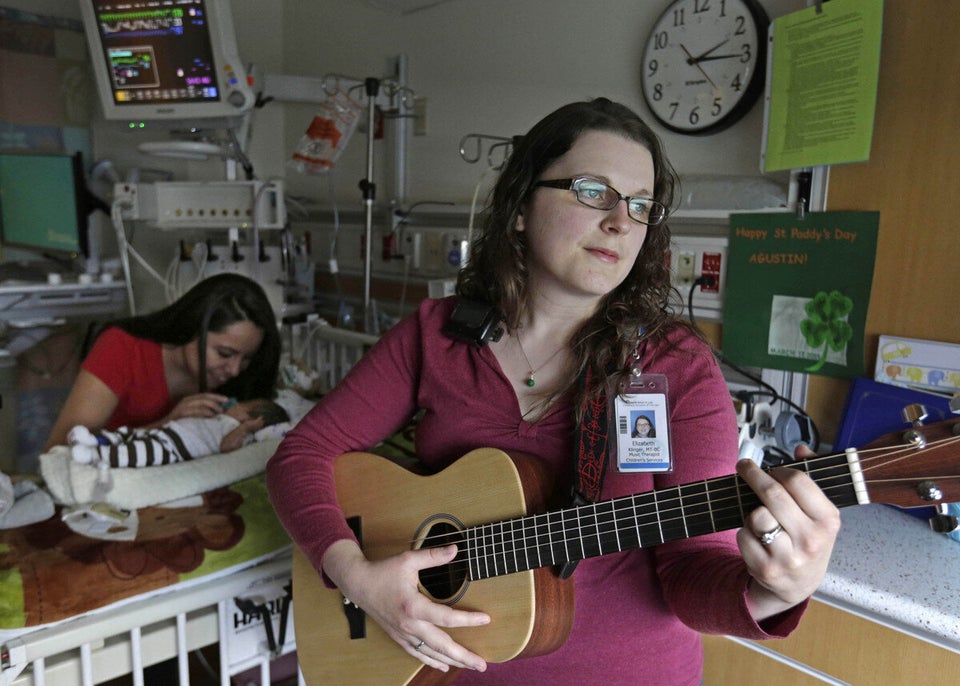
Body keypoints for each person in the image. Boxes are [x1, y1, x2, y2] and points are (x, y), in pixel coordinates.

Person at [265, 98, 840, 685]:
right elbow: (302, 455)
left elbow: (693, 573)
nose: (620, 220)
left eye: (641, 206)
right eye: (593, 191)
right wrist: (356, 577)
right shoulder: (438, 334)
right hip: (436, 671)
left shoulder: (675, 369)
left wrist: (775, 590)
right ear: (519, 207)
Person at [45, 273, 281, 452]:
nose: (234, 370)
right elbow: (59, 450)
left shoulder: (243, 377)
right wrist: (166, 424)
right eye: (224, 353)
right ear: (192, 328)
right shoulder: (123, 348)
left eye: (247, 358)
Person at [67, 398, 290, 467]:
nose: (236, 403)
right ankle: (93, 440)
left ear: (253, 418)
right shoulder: (222, 418)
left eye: (244, 405)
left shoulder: (239, 434)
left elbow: (226, 447)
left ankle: (95, 456)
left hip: (173, 449)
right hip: (166, 432)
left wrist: (244, 429)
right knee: (129, 434)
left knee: (136, 453)